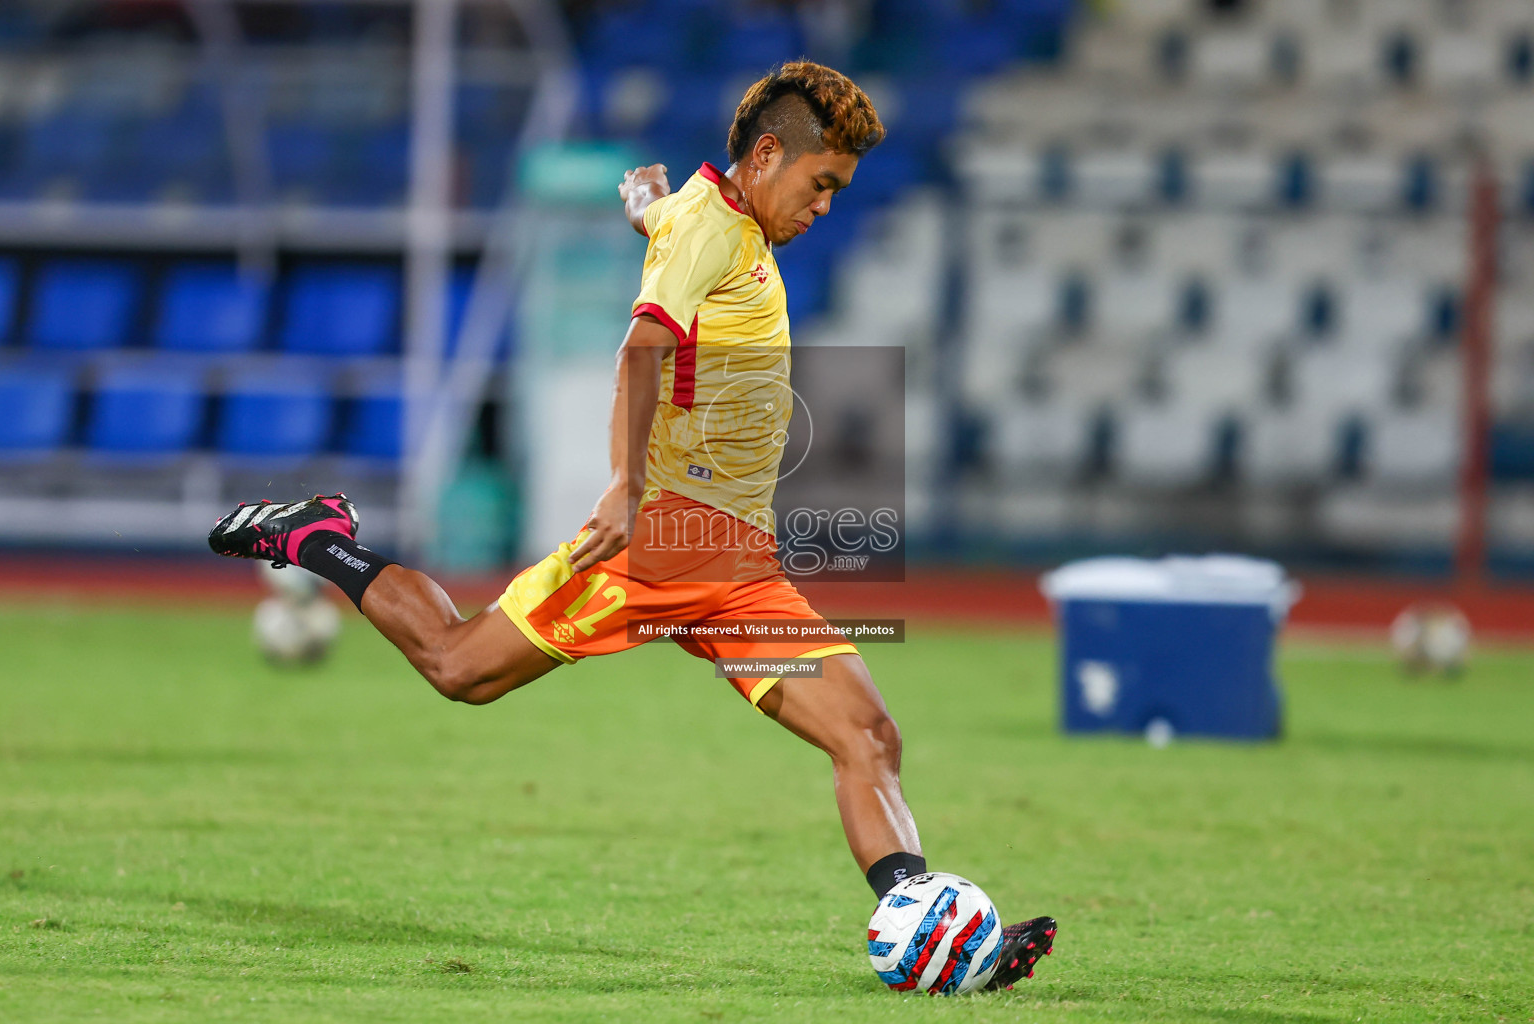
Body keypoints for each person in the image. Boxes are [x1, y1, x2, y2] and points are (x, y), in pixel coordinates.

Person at [208, 60, 1054, 990]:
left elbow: (688, 243)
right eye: (822, 185)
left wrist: (649, 211)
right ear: (769, 155)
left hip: (736, 565)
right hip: (662, 544)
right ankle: (317, 537)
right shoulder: (710, 229)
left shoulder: (717, 223)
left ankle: (931, 929)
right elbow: (643, 345)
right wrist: (623, 484)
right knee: (459, 667)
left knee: (870, 737)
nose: (825, 209)